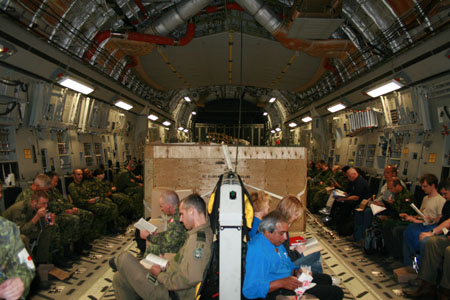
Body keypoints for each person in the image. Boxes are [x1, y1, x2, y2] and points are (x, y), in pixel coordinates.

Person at [111, 194, 212, 300]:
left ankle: (116, 261)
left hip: (170, 293)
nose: (181, 219)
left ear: (191, 211)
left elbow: (189, 279)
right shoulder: (198, 234)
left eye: (182, 214)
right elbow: (186, 265)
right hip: (169, 279)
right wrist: (168, 265)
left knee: (124, 258)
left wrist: (159, 275)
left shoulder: (198, 242)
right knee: (119, 278)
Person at [242, 211, 343, 300]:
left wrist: (297, 270)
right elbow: (250, 290)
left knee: (326, 279)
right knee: (336, 292)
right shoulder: (257, 251)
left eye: (286, 233)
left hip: (286, 280)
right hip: (277, 290)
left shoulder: (276, 243)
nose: (285, 237)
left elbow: (286, 263)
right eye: (282, 233)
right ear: (267, 232)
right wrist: (282, 283)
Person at [404, 178, 450, 299]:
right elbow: (444, 220)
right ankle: (427, 285)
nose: (444, 196)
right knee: (430, 242)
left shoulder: (442, 201)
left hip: (444, 233)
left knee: (447, 250)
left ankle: (446, 291)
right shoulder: (448, 203)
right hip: (446, 234)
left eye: (446, 193)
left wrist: (433, 231)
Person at [401, 174, 446, 267]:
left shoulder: (440, 200)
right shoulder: (425, 198)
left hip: (432, 225)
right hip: (423, 223)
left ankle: (417, 264)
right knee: (408, 231)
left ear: (433, 185)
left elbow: (440, 219)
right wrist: (411, 217)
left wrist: (431, 219)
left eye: (425, 186)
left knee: (419, 236)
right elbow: (421, 214)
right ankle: (409, 264)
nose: (422, 188)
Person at [0, 182, 35, 300]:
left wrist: (20, 281)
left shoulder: (6, 227)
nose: (0, 196)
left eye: (0, 192)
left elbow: (26, 264)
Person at [353, 165, 399, 247]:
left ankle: (365, 239)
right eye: (385, 173)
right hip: (379, 205)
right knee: (359, 208)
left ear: (394, 174)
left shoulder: (396, 185)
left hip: (387, 209)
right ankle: (357, 236)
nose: (385, 175)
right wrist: (374, 201)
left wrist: (380, 204)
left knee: (367, 212)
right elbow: (381, 197)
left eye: (388, 173)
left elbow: (393, 203)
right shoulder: (386, 183)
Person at [276, 195, 323, 274]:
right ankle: (319, 278)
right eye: (296, 214)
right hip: (283, 266)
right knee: (315, 253)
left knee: (314, 255)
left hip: (282, 261)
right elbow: (284, 257)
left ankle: (314, 276)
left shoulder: (276, 221)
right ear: (290, 212)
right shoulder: (280, 228)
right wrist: (297, 251)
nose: (296, 217)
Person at [68, 168, 119, 237]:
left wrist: (95, 198)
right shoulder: (72, 186)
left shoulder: (83, 184)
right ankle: (103, 229)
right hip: (83, 205)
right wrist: (88, 201)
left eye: (81, 174)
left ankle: (108, 227)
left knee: (112, 206)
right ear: (74, 176)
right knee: (106, 208)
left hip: (91, 201)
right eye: (78, 174)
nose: (80, 176)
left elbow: (90, 193)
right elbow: (77, 200)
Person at [139, 190, 187, 256]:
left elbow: (168, 242)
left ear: (169, 206)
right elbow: (170, 234)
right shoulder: (178, 213)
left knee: (151, 249)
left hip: (178, 248)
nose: (161, 209)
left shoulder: (177, 219)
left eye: (161, 206)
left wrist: (148, 236)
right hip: (177, 244)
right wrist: (157, 235)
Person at [329, 167, 370, 236]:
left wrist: (344, 199)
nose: (348, 178)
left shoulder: (360, 182)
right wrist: (341, 195)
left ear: (353, 175)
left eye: (349, 177)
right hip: (351, 198)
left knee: (346, 205)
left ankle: (342, 227)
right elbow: (348, 192)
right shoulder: (352, 181)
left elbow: (356, 197)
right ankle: (333, 220)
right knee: (336, 201)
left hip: (359, 201)